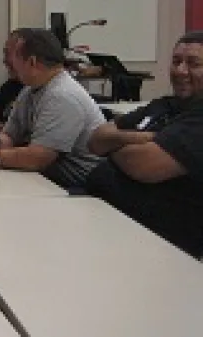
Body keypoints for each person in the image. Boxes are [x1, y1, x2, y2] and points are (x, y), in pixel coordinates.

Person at [85, 31, 203, 257]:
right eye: (176, 62)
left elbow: (144, 166)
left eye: (193, 64)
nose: (181, 71)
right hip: (108, 218)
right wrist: (137, 139)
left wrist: (114, 145)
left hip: (161, 245)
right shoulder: (164, 105)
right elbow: (96, 139)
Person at [0, 28, 105, 190]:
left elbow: (38, 158)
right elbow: (10, 137)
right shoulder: (30, 89)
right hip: (45, 178)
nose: (10, 63)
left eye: (15, 57)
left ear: (31, 62)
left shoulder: (62, 96)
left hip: (77, 187)